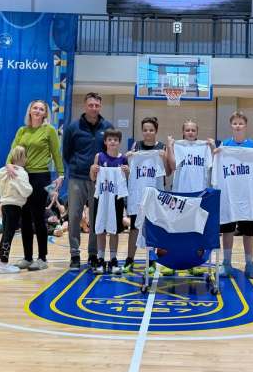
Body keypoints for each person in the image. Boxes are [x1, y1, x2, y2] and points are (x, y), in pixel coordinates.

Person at [214, 111, 253, 279]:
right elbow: (216, 167)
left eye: (240, 123)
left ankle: (250, 264)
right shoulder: (225, 145)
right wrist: (216, 154)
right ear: (231, 125)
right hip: (230, 196)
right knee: (227, 230)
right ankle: (226, 263)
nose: (238, 126)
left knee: (248, 231)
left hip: (248, 197)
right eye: (235, 123)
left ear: (245, 125)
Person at [6, 99, 64, 271]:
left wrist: (61, 174)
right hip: (22, 176)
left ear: (45, 113)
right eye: (35, 108)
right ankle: (27, 257)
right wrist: (8, 164)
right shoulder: (22, 130)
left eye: (41, 109)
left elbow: (56, 153)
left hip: (41, 176)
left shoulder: (49, 130)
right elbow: (13, 150)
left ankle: (42, 258)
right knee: (24, 217)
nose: (38, 111)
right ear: (30, 111)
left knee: (38, 217)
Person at [63, 92, 113, 270]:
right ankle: (75, 255)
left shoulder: (107, 126)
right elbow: (66, 153)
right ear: (85, 106)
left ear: (100, 106)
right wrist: (76, 165)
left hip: (99, 180)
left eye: (96, 105)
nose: (93, 108)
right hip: (77, 177)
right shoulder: (73, 127)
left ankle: (93, 254)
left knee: (95, 218)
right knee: (74, 216)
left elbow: (111, 151)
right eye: (91, 105)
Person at [164, 119, 214, 275]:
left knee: (196, 231)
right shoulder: (177, 146)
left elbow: (214, 165)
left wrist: (213, 147)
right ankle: (172, 263)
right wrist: (170, 146)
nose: (190, 132)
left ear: (197, 132)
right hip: (180, 193)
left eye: (193, 130)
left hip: (199, 195)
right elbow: (172, 166)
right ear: (183, 132)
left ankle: (194, 263)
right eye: (187, 130)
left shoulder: (205, 147)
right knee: (176, 230)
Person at [123, 117, 169, 273]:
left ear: (156, 131)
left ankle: (151, 260)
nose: (148, 133)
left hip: (154, 194)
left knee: (152, 228)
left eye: (151, 130)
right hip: (138, 194)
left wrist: (164, 157)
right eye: (145, 130)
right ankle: (129, 259)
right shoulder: (136, 147)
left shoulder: (161, 148)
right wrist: (128, 157)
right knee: (134, 228)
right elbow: (128, 170)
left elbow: (167, 171)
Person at [90, 128, 129, 274]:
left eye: (116, 140)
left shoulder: (123, 159)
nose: (113, 142)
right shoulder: (99, 156)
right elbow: (93, 178)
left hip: (116, 198)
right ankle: (100, 258)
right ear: (105, 142)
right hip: (101, 197)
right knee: (100, 229)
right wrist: (93, 170)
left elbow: (127, 179)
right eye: (110, 139)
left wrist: (127, 171)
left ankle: (113, 259)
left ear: (119, 142)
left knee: (114, 230)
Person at [0, 146, 33, 273]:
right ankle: (3, 264)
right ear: (22, 157)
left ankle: (2, 262)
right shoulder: (21, 173)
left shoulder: (3, 171)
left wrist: (8, 165)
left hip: (4, 205)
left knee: (5, 234)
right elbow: (26, 191)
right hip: (14, 206)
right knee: (9, 234)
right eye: (25, 156)